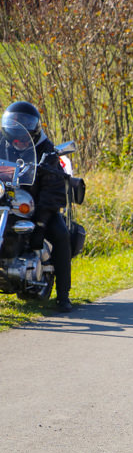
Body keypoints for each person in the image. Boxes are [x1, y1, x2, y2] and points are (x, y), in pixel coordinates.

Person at [1, 101, 73, 311]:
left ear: (34, 128)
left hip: (36, 206)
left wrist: (41, 224)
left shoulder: (46, 149)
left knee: (61, 235)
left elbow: (53, 190)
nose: (19, 138)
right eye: (16, 124)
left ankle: (63, 296)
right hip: (5, 201)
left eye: (25, 124)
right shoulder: (1, 142)